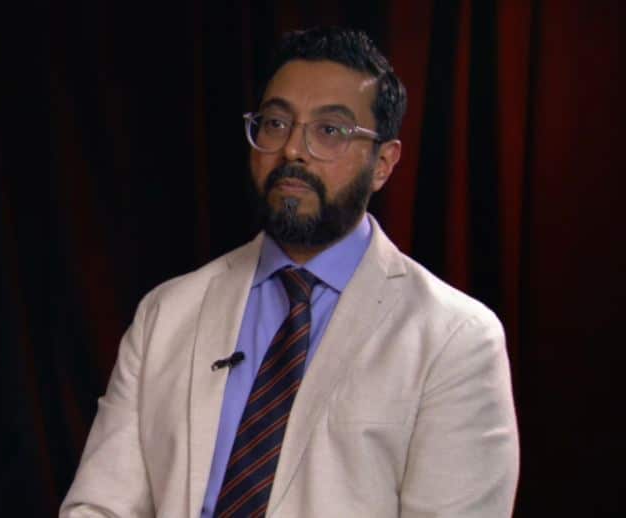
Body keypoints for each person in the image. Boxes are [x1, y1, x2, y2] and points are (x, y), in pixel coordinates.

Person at [60, 26, 519, 517]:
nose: (293, 150)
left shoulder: (456, 338)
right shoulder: (166, 313)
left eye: (330, 131)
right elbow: (100, 505)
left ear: (384, 163)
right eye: (276, 123)